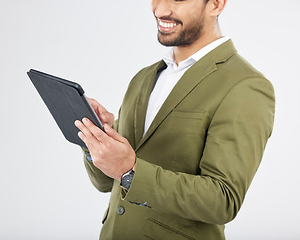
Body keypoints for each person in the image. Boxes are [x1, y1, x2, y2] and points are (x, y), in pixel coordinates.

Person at [74, 0, 275, 239]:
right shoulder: (144, 78)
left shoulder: (245, 86)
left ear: (216, 4)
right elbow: (107, 183)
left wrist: (131, 171)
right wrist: (96, 136)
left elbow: (224, 200)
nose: (160, 9)